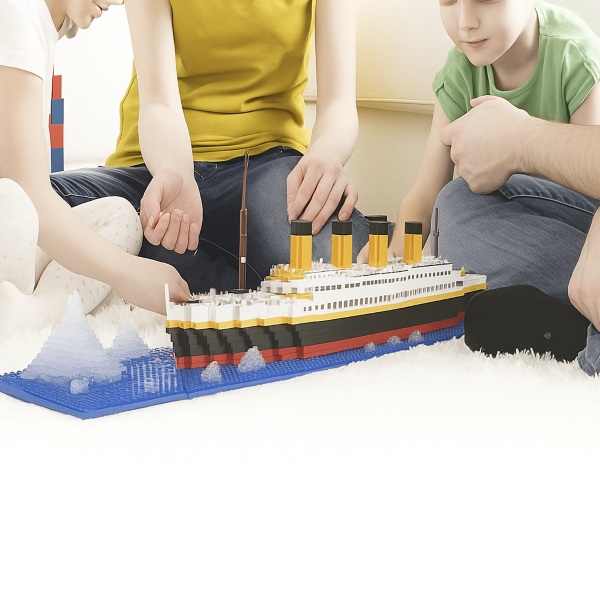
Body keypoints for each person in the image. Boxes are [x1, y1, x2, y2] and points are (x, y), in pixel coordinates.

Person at [50, 0, 370, 294]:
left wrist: (325, 155)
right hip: (158, 166)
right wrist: (176, 174)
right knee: (34, 208)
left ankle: (196, 272)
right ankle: (215, 275)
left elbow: (339, 104)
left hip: (266, 162)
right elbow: (159, 103)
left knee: (334, 275)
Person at [0, 0, 191, 341]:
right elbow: (28, 195)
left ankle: (38, 313)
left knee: (120, 216)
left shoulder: (41, 22)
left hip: (17, 233)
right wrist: (129, 274)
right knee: (15, 203)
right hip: (12, 218)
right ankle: (25, 317)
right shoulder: (14, 14)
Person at [357, 0, 600, 264]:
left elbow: (588, 192)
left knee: (456, 204)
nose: (465, 22)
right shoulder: (459, 71)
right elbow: (426, 192)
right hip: (500, 225)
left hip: (572, 229)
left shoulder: (574, 55)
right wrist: (396, 254)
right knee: (454, 204)